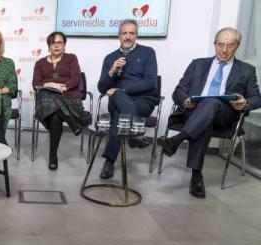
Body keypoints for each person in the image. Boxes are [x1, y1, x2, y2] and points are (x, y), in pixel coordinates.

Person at [158, 27, 261, 198]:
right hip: (193, 112)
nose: (224, 50)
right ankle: (196, 177)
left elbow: (257, 98)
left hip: (225, 115)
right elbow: (178, 91)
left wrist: (245, 103)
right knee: (205, 120)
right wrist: (185, 100)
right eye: (220, 45)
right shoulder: (197, 64)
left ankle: (177, 139)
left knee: (211, 102)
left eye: (230, 45)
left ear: (237, 46)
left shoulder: (247, 70)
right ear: (215, 44)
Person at [97, 19, 158, 179]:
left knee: (120, 115)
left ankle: (109, 163)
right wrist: (111, 72)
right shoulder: (110, 58)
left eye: (132, 33)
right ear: (119, 36)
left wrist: (123, 89)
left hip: (143, 100)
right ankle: (136, 134)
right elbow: (102, 88)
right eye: (125, 33)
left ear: (136, 35)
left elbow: (151, 82)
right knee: (118, 98)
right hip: (117, 99)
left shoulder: (148, 52)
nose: (128, 37)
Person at [33, 31, 87, 170]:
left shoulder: (71, 58)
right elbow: (36, 83)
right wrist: (51, 85)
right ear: (49, 45)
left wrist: (64, 87)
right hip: (47, 99)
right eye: (53, 43)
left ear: (64, 45)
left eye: (60, 43)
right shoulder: (40, 63)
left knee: (55, 113)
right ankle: (72, 123)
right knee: (47, 95)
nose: (57, 46)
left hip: (69, 97)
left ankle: (52, 156)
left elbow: (76, 78)